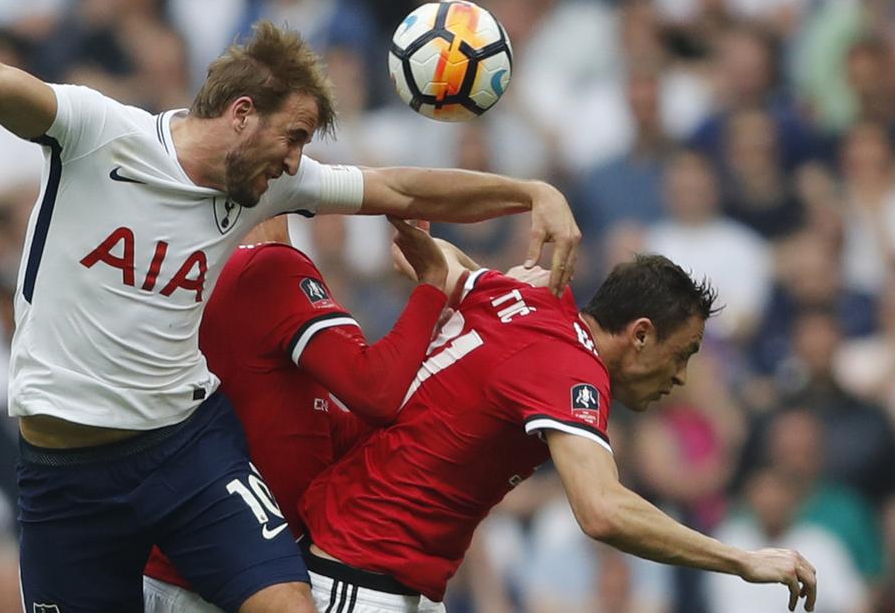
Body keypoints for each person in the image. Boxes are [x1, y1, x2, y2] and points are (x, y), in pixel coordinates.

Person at [0, 0, 581, 613]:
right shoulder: (98, 132)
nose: (297, 162)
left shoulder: (266, 185)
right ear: (241, 114)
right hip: (65, 472)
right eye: (293, 136)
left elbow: (400, 188)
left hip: (185, 450)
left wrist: (529, 192)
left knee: (289, 606)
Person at [299, 254, 819, 613]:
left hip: (382, 573)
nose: (681, 377)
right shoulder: (573, 370)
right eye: (681, 354)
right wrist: (742, 559)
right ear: (640, 334)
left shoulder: (526, 297)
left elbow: (423, 255)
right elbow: (603, 511)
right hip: (360, 577)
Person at [142, 214, 454, 612]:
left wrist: (427, 344)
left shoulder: (231, 266)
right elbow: (375, 391)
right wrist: (431, 285)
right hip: (213, 584)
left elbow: (325, 431)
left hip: (201, 571)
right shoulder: (266, 266)